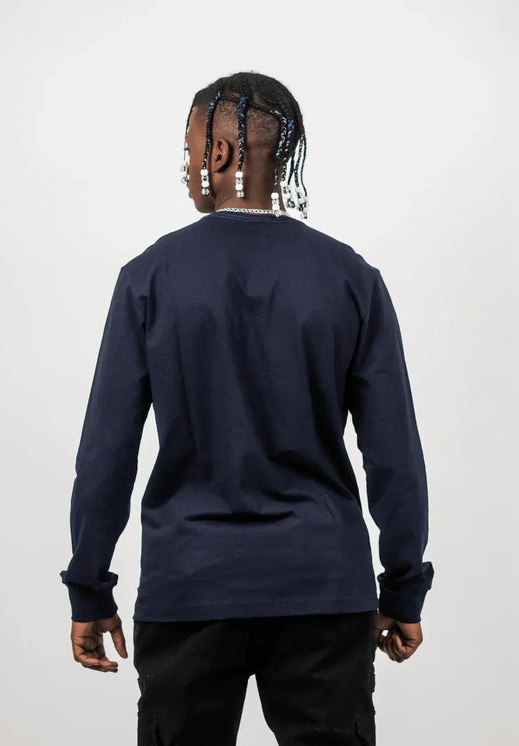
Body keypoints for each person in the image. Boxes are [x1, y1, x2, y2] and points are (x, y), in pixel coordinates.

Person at [60, 71, 434, 745]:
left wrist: (90, 585)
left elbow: (106, 453)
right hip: (323, 587)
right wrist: (403, 586)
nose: (187, 168)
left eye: (189, 151)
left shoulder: (149, 277)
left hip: (189, 586)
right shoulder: (351, 278)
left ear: (221, 153)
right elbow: (395, 456)